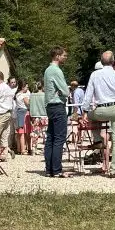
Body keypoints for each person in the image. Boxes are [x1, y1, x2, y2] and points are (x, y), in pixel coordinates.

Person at [81, 50, 115, 178]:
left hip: (101, 110)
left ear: (101, 62)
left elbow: (88, 95)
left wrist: (85, 112)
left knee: (91, 116)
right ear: (113, 62)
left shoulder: (95, 75)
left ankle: (98, 140)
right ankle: (114, 169)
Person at [43, 47, 71, 178]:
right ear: (57, 56)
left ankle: (49, 169)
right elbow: (65, 91)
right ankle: (57, 169)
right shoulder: (56, 71)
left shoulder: (47, 70)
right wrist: (64, 91)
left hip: (49, 106)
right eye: (64, 55)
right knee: (59, 138)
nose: (65, 57)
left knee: (51, 138)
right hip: (58, 105)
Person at [13, 80, 31, 155]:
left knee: (19, 133)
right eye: (26, 87)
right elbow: (28, 104)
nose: (27, 88)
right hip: (24, 113)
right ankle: (24, 149)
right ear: (23, 87)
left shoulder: (17, 94)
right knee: (24, 132)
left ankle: (19, 148)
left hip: (18, 112)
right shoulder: (24, 95)